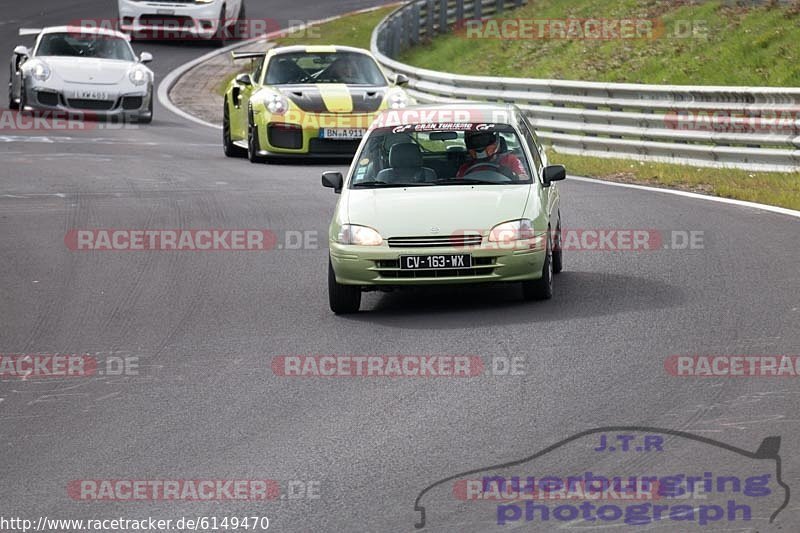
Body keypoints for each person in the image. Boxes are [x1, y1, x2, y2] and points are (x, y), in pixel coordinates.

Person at [456, 130, 528, 179]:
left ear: (494, 139)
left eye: (483, 139)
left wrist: (512, 176)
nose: (480, 143)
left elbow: (524, 178)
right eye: (475, 141)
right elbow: (458, 187)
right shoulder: (465, 168)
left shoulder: (511, 160)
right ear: (468, 143)